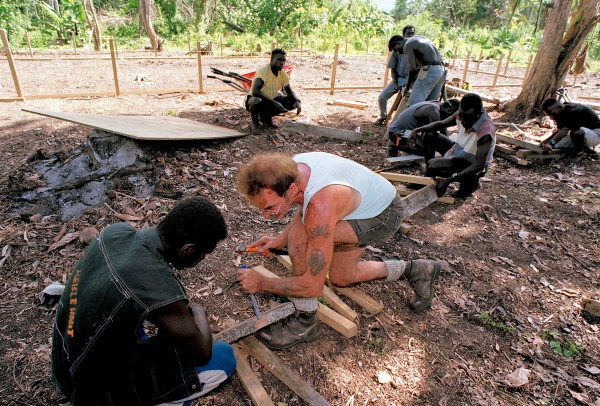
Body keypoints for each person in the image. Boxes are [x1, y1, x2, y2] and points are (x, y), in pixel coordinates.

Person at [236, 152, 441, 350]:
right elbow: (303, 203)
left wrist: (261, 283)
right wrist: (281, 239)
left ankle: (305, 321)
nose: (265, 216)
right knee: (342, 278)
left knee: (300, 240)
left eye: (270, 208)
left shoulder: (320, 203)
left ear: (289, 189)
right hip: (363, 202)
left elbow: (312, 287)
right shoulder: (291, 169)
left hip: (384, 215)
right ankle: (416, 269)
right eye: (261, 209)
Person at [52, 197, 236, 406]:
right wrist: (198, 310)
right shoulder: (156, 283)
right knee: (224, 358)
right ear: (188, 250)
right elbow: (202, 353)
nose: (202, 259)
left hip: (63, 366)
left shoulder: (116, 232)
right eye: (203, 254)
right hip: (91, 393)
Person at [407, 93, 495, 198]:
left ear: (478, 114)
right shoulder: (462, 113)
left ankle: (471, 183)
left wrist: (448, 180)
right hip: (458, 152)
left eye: (466, 119)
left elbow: (479, 165)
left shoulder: (486, 131)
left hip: (471, 163)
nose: (462, 122)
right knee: (429, 135)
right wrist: (417, 130)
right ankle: (428, 178)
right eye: (461, 117)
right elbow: (440, 124)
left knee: (433, 165)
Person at [246, 48, 302, 135]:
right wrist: (273, 103)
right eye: (279, 60)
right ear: (272, 60)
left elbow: (289, 91)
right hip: (255, 100)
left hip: (271, 99)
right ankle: (255, 123)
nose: (282, 63)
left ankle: (266, 119)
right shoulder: (263, 71)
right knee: (257, 101)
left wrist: (297, 101)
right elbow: (255, 92)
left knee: (291, 102)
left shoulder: (283, 74)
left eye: (283, 60)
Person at [386, 98, 459, 157]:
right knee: (427, 149)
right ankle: (394, 144)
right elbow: (432, 136)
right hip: (396, 132)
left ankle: (406, 143)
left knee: (432, 144)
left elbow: (442, 128)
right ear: (450, 110)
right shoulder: (433, 111)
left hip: (406, 130)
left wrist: (449, 147)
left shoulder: (439, 105)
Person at [374, 25, 416, 126]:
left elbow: (416, 70)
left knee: (407, 102)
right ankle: (383, 116)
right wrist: (396, 83)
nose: (410, 36)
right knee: (382, 97)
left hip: (411, 80)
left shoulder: (415, 48)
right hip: (399, 78)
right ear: (403, 35)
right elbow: (392, 68)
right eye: (408, 33)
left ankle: (401, 122)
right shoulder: (397, 49)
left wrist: (410, 84)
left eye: (412, 33)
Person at [398, 35, 446, 107]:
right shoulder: (420, 38)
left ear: (397, 43)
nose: (398, 53)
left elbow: (413, 68)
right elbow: (417, 67)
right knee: (430, 106)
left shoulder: (407, 45)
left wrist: (407, 87)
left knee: (413, 106)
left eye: (395, 49)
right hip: (441, 70)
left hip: (430, 70)